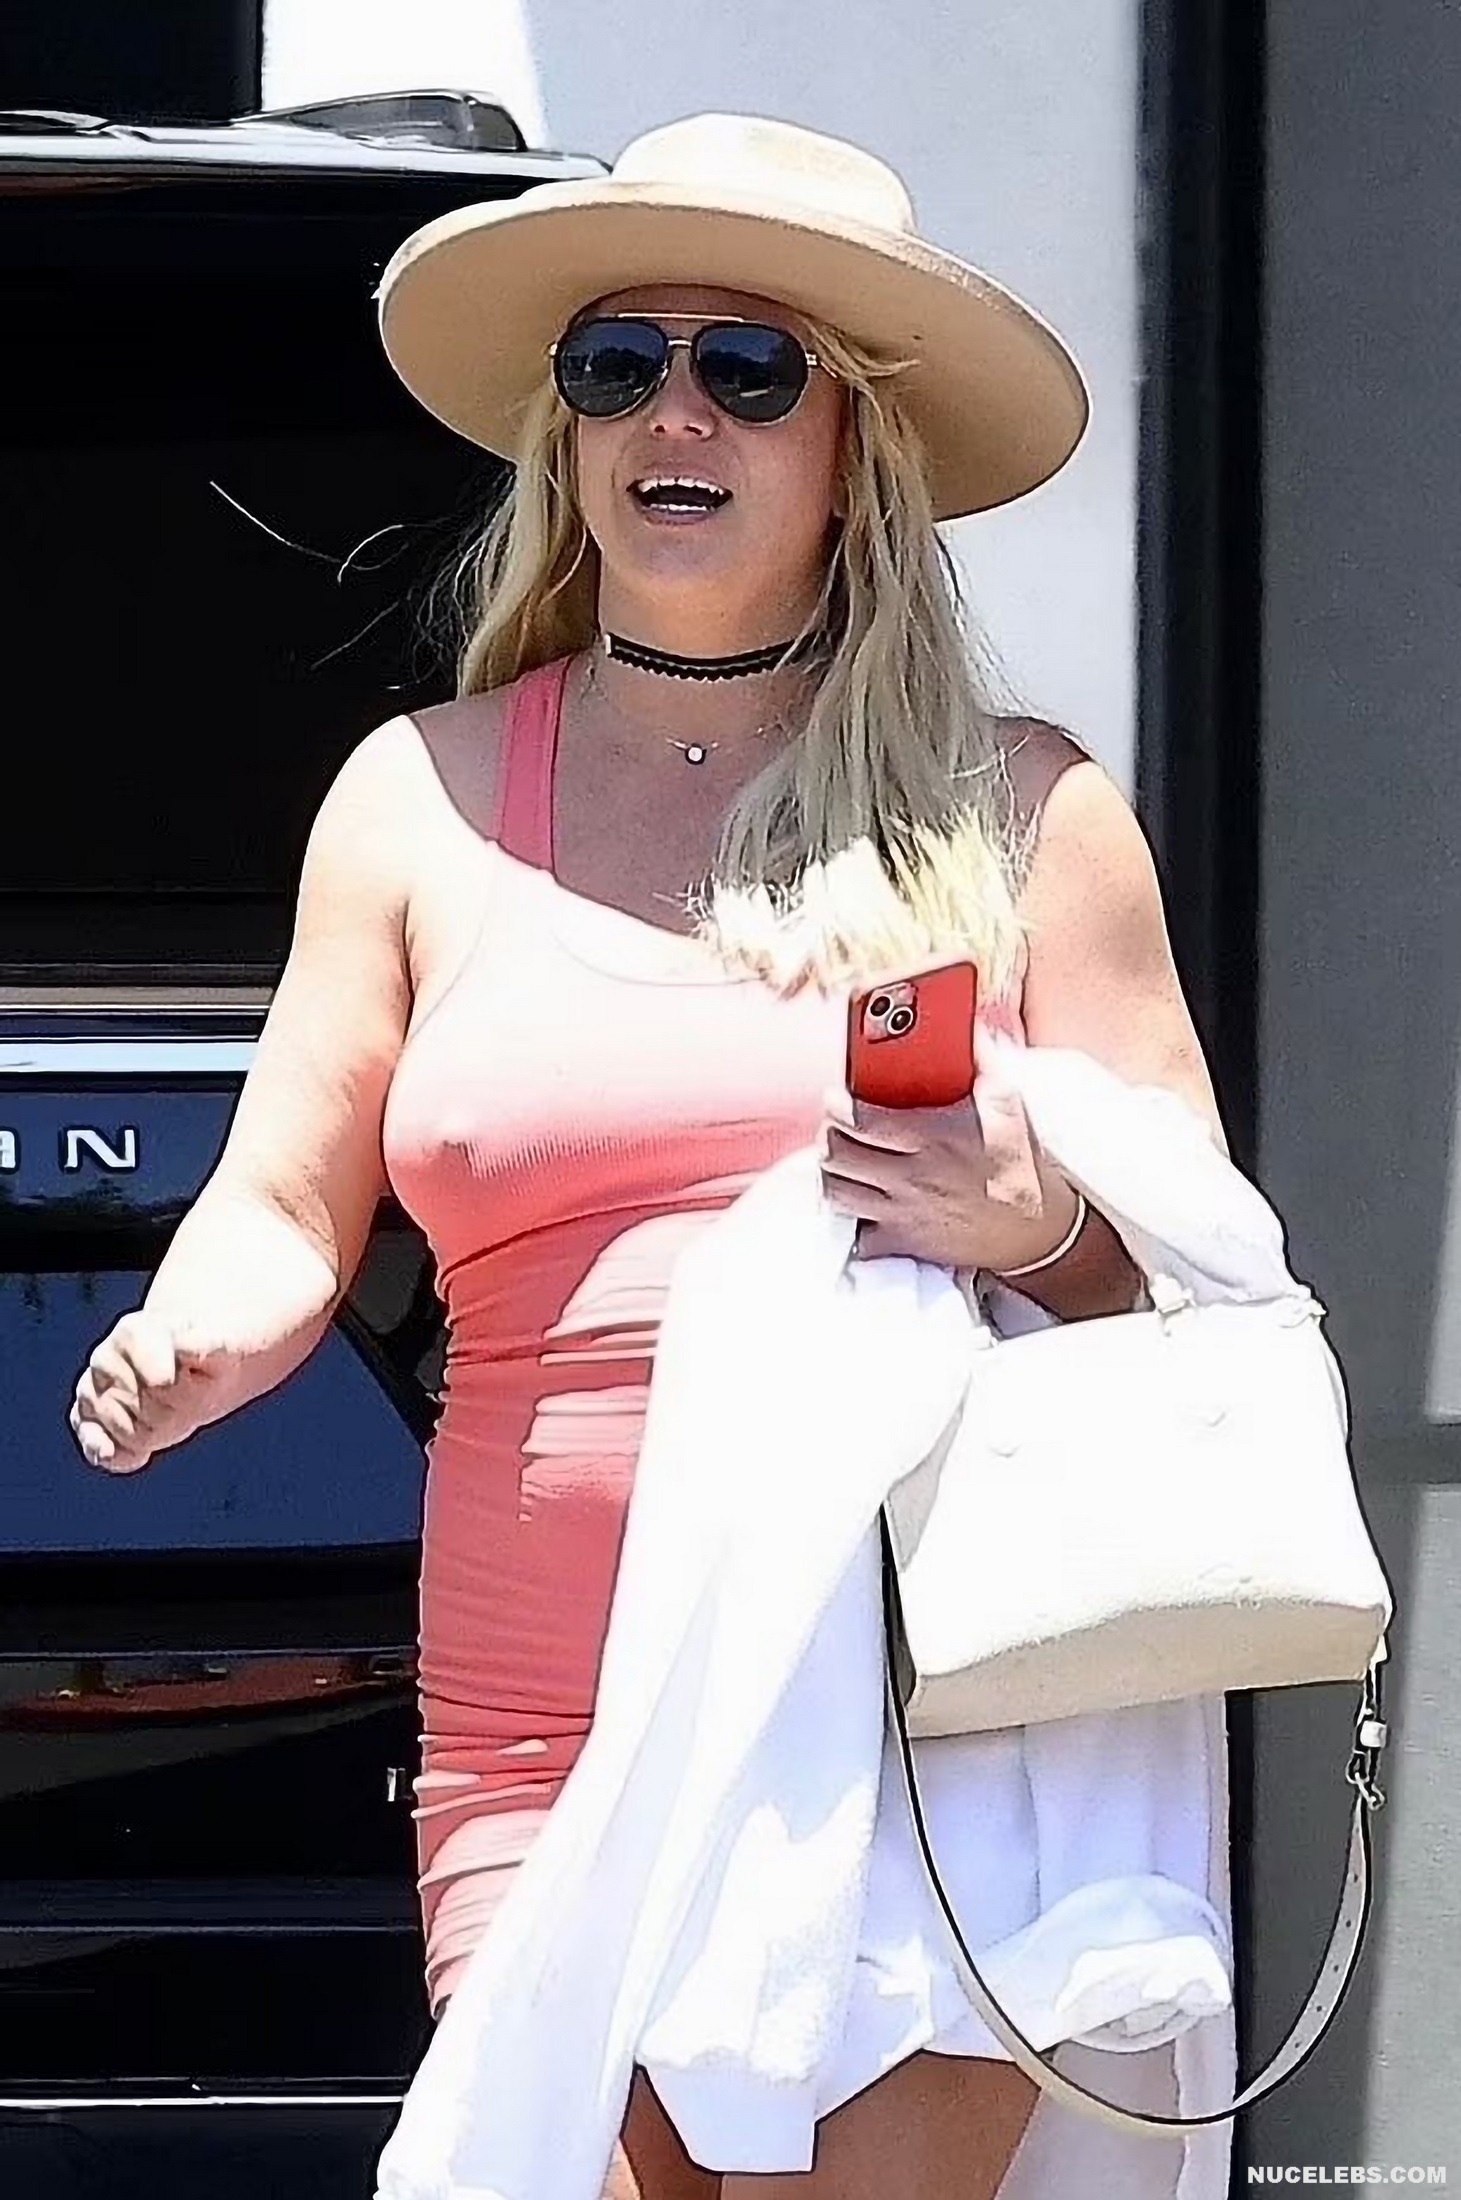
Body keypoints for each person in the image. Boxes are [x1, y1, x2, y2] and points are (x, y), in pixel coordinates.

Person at [69, 113, 1226, 2200]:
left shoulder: (1019, 810)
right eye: (616, 364)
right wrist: (197, 1335)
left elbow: (1208, 1291)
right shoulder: (415, 797)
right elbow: (286, 1196)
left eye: (746, 368)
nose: (670, 411)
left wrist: (1033, 1222)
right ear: (567, 430)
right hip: (545, 1712)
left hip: (917, 1709)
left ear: (852, 446)